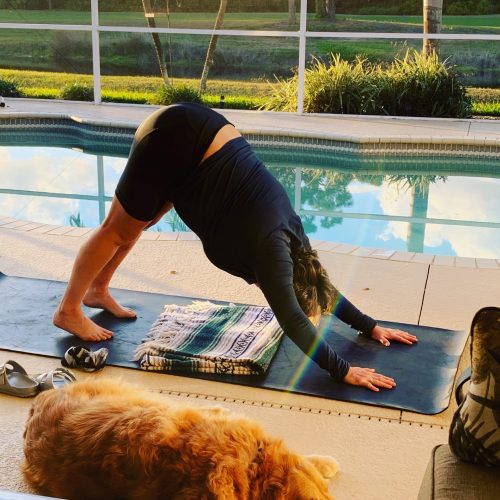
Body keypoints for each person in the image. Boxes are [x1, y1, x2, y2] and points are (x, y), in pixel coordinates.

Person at [53, 103, 417, 392]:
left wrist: (370, 327)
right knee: (116, 230)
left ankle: (98, 291)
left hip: (200, 135)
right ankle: (69, 309)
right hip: (177, 142)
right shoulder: (271, 254)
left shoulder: (295, 244)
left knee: (137, 224)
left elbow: (324, 289)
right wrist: (344, 371)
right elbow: (291, 319)